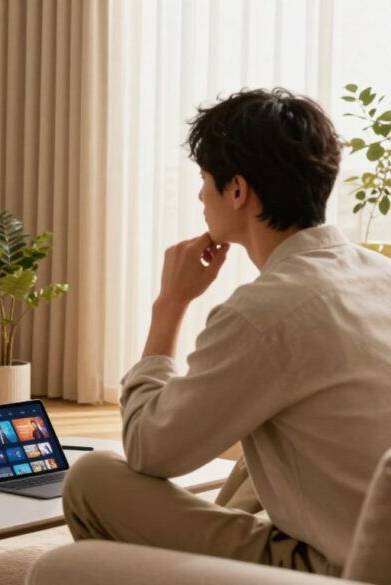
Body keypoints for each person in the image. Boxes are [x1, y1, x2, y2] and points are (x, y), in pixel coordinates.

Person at [62, 89, 391, 577]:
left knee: (92, 479)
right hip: (370, 531)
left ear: (237, 191)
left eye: (204, 180)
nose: (199, 195)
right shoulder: (377, 274)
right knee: (261, 439)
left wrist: (169, 305)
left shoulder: (263, 312)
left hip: (334, 563)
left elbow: (151, 450)